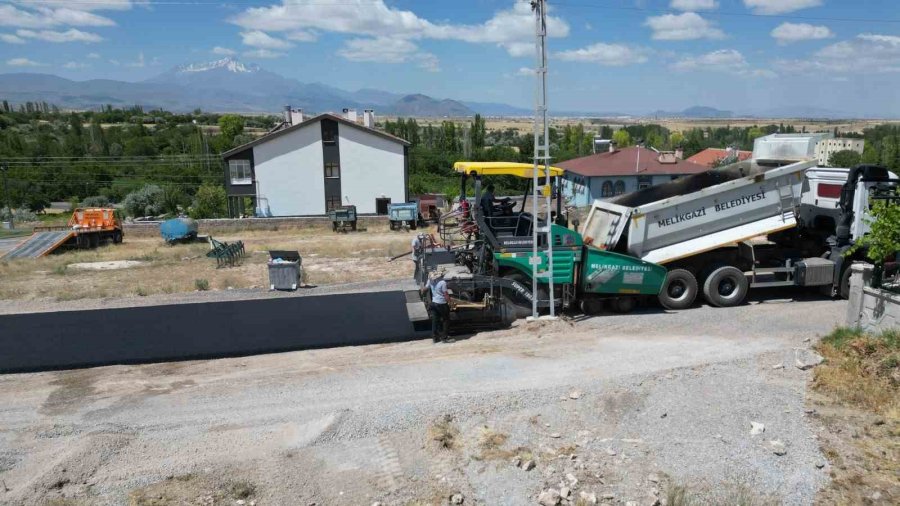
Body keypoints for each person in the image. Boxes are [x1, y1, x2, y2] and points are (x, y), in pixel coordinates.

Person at [427, 269, 452, 343]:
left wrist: (422, 291)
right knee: (446, 320)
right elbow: (445, 294)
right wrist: (450, 302)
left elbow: (425, 288)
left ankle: (435, 338)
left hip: (434, 303)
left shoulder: (430, 280)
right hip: (441, 303)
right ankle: (444, 338)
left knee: (435, 321)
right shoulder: (442, 282)